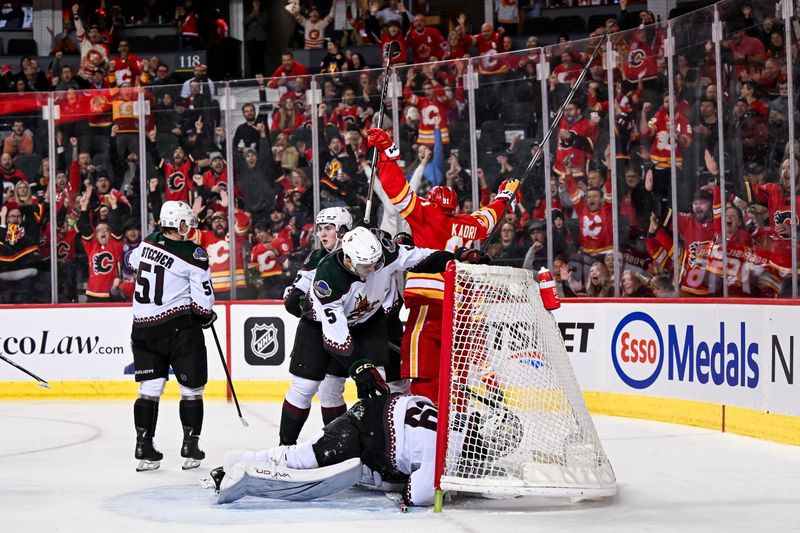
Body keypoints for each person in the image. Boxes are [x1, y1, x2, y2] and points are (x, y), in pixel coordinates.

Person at [367, 127, 517, 403]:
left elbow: (399, 193)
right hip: (459, 306)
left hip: (426, 303)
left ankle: (425, 427)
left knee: (422, 374)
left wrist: (388, 158)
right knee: (454, 375)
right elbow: (487, 218)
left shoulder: (427, 214)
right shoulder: (465, 223)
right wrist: (504, 198)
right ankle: (457, 428)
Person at [209, 360, 438, 507]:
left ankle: (239, 461)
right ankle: (236, 463)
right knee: (304, 459)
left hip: (381, 415)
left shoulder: (451, 422)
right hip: (368, 428)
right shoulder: (445, 454)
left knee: (385, 477)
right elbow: (418, 495)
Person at [127, 200, 216, 472]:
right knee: (191, 389)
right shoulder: (194, 254)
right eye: (186, 222)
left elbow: (129, 261)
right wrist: (205, 316)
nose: (189, 226)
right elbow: (204, 303)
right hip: (179, 329)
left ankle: (144, 446)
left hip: (142, 328)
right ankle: (190, 446)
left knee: (149, 389)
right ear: (179, 224)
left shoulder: (146, 244)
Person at [280, 207, 354, 445]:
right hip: (314, 330)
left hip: (344, 331)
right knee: (303, 387)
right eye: (320, 229)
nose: (322, 234)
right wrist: (310, 305)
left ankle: (338, 448)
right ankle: (285, 447)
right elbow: (294, 299)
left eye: (329, 228)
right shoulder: (316, 257)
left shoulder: (362, 254)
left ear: (343, 230)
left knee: (332, 391)